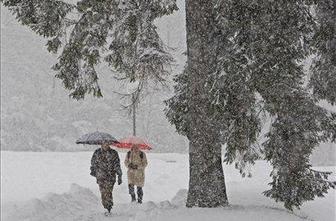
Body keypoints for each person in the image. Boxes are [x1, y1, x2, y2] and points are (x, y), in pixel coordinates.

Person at [90, 142, 122, 213]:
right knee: (103, 192)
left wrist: (119, 175)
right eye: (104, 143)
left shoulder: (114, 153)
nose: (105, 145)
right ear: (101, 144)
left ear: (109, 144)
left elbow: (117, 164)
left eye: (107, 143)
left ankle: (109, 207)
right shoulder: (97, 152)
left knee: (108, 191)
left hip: (111, 176)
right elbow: (93, 162)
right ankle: (106, 206)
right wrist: (93, 170)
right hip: (100, 176)